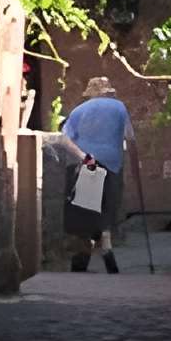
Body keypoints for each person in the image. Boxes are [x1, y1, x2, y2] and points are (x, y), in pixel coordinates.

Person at [54, 76, 133, 272]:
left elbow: (64, 139)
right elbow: (129, 137)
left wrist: (84, 156)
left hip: (87, 165)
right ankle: (107, 250)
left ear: (90, 94)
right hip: (112, 165)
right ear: (108, 92)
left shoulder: (78, 111)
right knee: (106, 209)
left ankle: (80, 263)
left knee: (86, 212)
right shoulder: (120, 108)